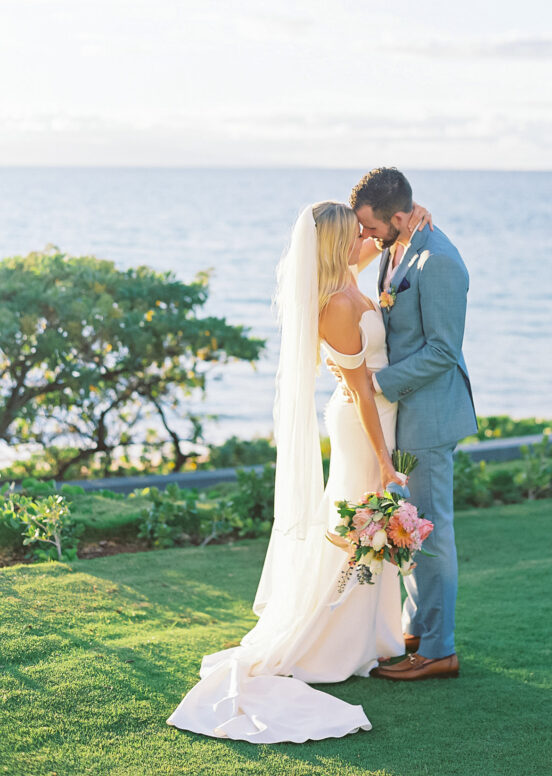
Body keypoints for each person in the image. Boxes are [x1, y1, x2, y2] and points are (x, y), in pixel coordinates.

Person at [166, 199, 428, 744]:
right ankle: (330, 640)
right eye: (355, 230)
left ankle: (372, 636)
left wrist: (411, 219)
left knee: (363, 528)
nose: (365, 235)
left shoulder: (351, 280)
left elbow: (381, 246)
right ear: (336, 242)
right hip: (363, 426)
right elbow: (358, 392)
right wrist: (383, 459)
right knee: (358, 523)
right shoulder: (335, 302)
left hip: (378, 417)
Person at [348, 167, 477, 681]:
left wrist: (378, 384)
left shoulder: (439, 260)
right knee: (410, 526)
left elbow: (445, 350)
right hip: (405, 413)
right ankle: (418, 629)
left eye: (370, 227)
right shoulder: (397, 242)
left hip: (429, 415)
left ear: (397, 217)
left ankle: (439, 649)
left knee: (433, 531)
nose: (365, 237)